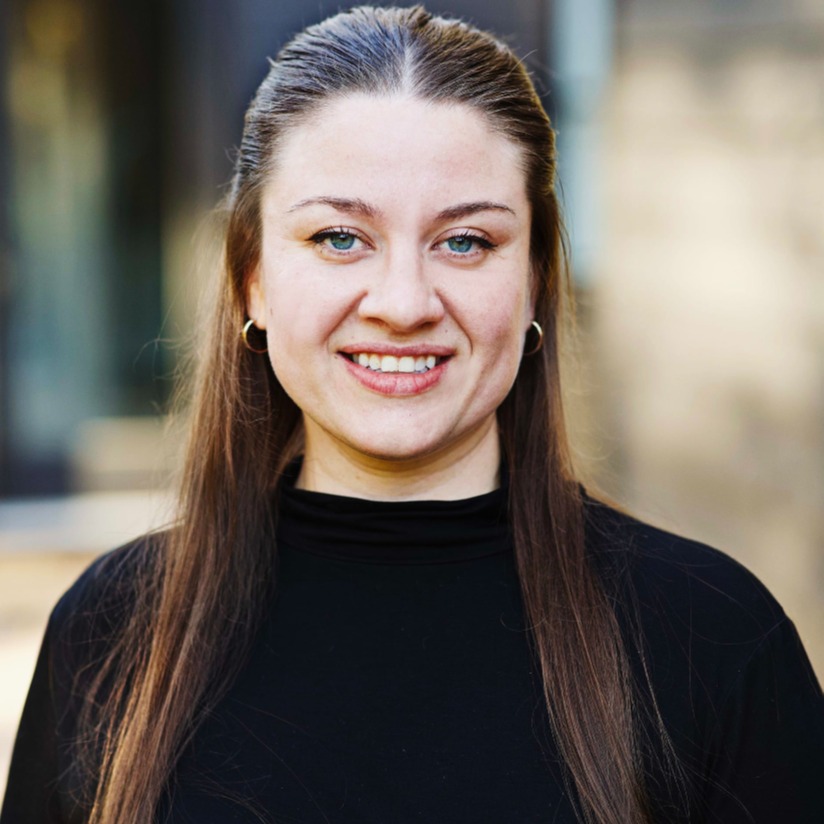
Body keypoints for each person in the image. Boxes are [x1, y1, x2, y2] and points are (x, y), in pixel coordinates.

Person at [2, 5, 823, 824]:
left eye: (465, 242)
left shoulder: (713, 640)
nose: (403, 304)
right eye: (339, 238)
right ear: (252, 282)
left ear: (534, 283)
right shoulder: (110, 633)